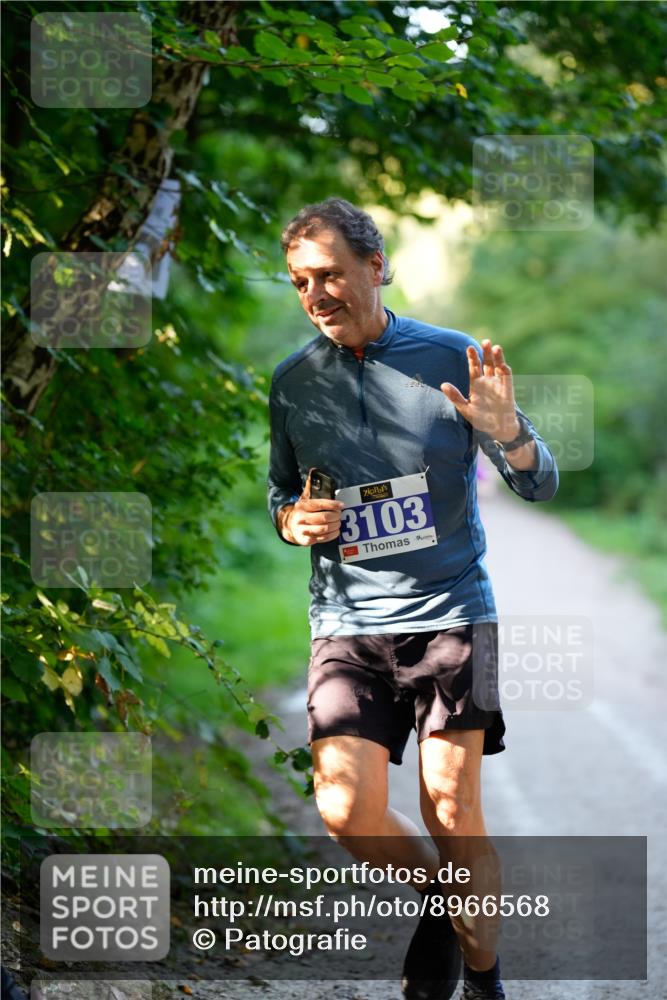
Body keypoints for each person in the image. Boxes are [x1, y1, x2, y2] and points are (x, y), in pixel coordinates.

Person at [267, 198, 558, 1000]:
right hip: (347, 625)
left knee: (451, 812)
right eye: (300, 282)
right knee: (342, 808)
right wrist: (293, 522)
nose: (316, 294)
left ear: (375, 267)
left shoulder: (450, 355)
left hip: (451, 617)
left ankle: (482, 978)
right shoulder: (292, 383)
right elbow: (281, 493)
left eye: (330, 275)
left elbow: (538, 482)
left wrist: (505, 432)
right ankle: (437, 900)